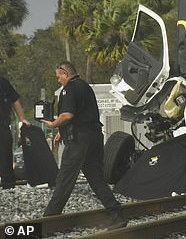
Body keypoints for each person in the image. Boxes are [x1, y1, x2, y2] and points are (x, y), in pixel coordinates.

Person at [41, 61, 127, 229]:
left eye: (59, 76)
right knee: (95, 178)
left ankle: (48, 221)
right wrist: (62, 132)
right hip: (94, 137)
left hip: (79, 141)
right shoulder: (85, 87)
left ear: (65, 73)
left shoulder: (68, 89)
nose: (58, 80)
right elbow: (83, 115)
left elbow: (67, 115)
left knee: (64, 178)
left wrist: (53, 125)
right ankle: (116, 213)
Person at [0, 75, 30, 189]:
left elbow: (15, 100)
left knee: (5, 153)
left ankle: (7, 183)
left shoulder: (3, 82)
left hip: (2, 124)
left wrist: (22, 119)